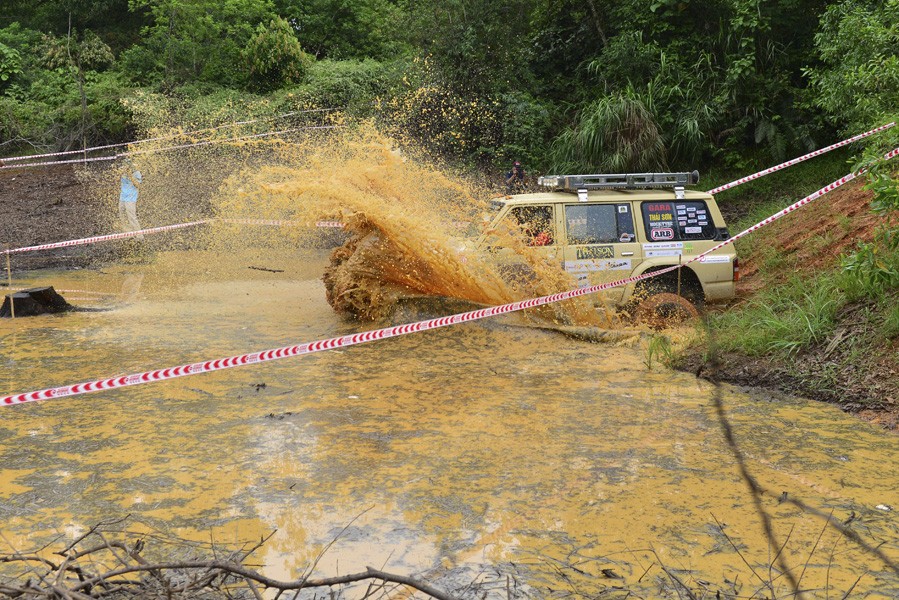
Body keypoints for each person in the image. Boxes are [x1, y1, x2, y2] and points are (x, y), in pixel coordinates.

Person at [118, 161, 143, 240]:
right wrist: (119, 173)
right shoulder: (122, 171)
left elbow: (138, 185)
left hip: (131, 198)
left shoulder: (136, 173)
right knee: (123, 216)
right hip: (122, 197)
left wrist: (130, 175)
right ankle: (128, 234)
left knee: (132, 217)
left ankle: (139, 236)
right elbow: (115, 178)